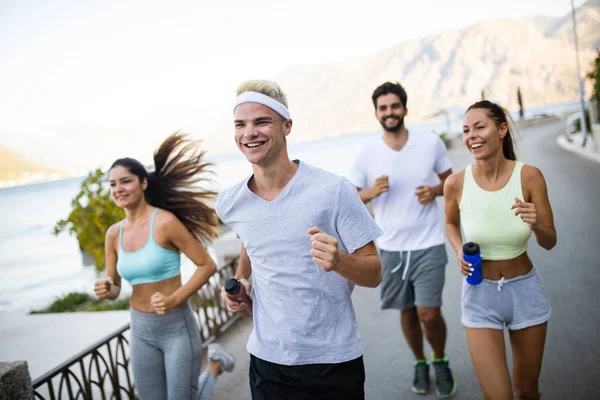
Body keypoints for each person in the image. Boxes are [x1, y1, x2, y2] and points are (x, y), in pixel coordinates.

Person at [217, 80, 383, 400]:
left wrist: (339, 261)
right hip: (268, 363)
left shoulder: (333, 191)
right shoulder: (231, 202)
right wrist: (241, 280)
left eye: (262, 121)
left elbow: (374, 273)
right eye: (241, 124)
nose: (249, 132)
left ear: (286, 126)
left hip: (333, 360)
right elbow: (251, 241)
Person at [94, 132, 235, 400]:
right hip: (141, 329)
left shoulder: (165, 222)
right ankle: (215, 362)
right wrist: (106, 288)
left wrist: (174, 300)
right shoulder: (114, 233)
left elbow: (206, 265)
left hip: (176, 327)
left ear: (143, 183)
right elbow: (115, 288)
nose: (118, 189)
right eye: (112, 184)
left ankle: (214, 365)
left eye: (125, 181)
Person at [349, 81, 456, 397]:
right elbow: (352, 197)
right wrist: (373, 191)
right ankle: (419, 362)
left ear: (405, 109)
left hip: (429, 242)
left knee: (429, 313)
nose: (389, 112)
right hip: (391, 249)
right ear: (376, 113)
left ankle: (440, 359)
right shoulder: (368, 153)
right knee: (407, 313)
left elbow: (451, 182)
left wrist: (434, 191)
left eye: (395, 106)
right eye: (383, 108)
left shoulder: (430, 143)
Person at [444, 100, 556, 400]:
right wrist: (457, 249)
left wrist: (536, 225)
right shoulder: (456, 183)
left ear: (502, 129)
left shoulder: (530, 176)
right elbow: (450, 224)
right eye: (466, 130)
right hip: (479, 294)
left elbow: (549, 240)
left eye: (480, 127)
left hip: (526, 292)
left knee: (527, 390)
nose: (472, 136)